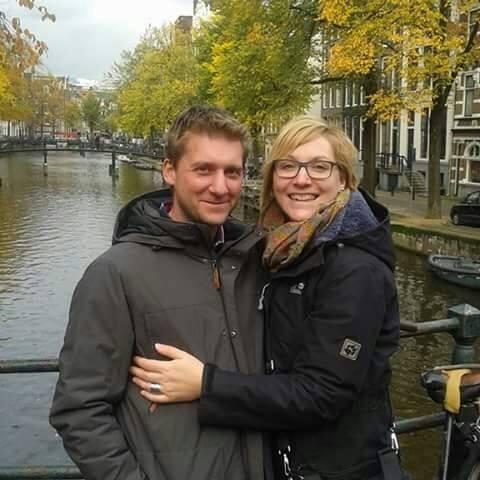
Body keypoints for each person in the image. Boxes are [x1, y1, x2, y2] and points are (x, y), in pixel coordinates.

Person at [130, 117, 403, 480]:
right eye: (288, 166)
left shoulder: (355, 270)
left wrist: (205, 384)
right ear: (273, 178)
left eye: (320, 167)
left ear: (344, 179)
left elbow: (322, 392)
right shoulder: (282, 249)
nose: (301, 179)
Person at [49, 106, 266, 480]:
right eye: (204, 170)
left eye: (232, 172)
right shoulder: (115, 273)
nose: (221, 187)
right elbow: (80, 409)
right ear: (169, 171)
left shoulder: (256, 261)